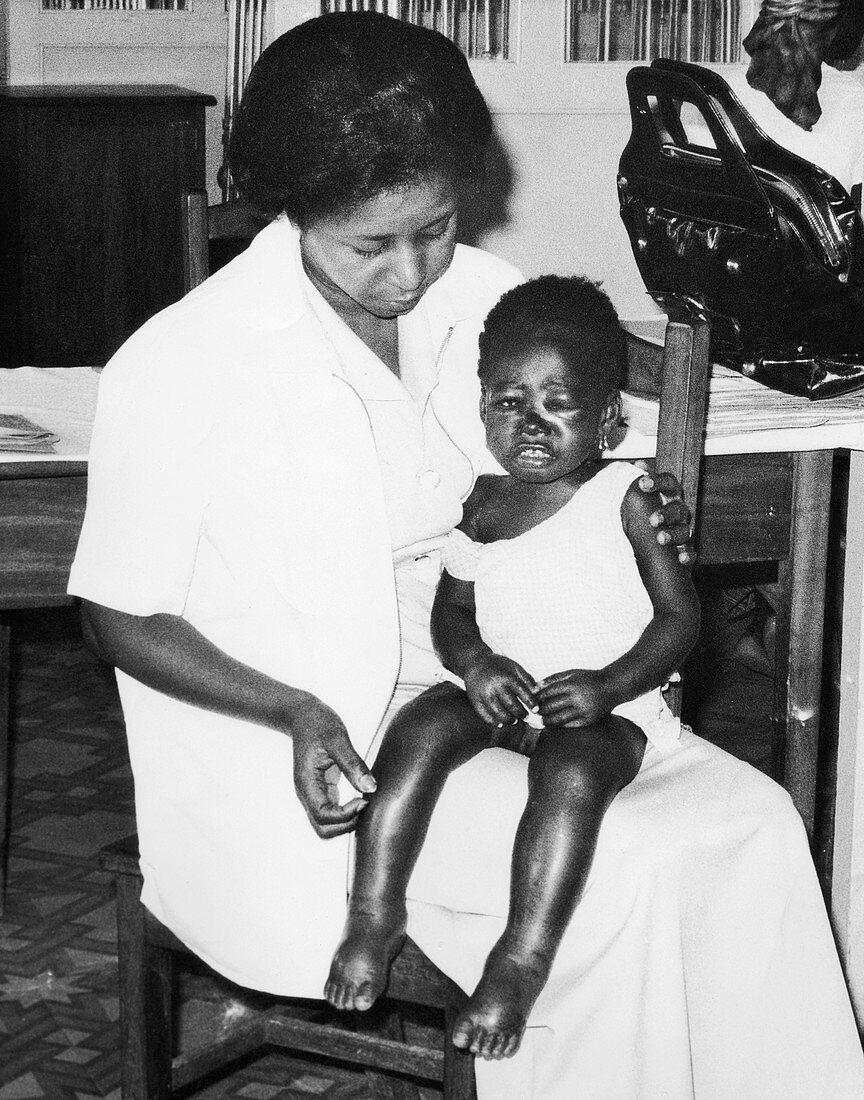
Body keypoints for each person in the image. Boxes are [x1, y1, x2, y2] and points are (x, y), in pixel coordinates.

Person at [66, 12, 864, 1098]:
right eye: (368, 244)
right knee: (619, 864)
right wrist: (295, 709)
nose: (409, 273)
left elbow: (593, 422)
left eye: (434, 228)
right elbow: (120, 613)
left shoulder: (483, 296)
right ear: (288, 204)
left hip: (512, 678)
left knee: (752, 823)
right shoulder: (181, 364)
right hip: (333, 737)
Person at [325, 275, 701, 1061]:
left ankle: (519, 960)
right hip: (506, 695)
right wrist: (476, 664)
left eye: (557, 403)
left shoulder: (627, 499)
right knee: (421, 725)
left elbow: (680, 622)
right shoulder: (482, 506)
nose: (529, 423)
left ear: (606, 416)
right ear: (482, 405)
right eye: (507, 401)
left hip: (606, 712)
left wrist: (609, 686)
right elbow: (452, 613)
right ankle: (373, 911)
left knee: (570, 775)